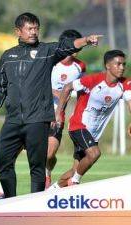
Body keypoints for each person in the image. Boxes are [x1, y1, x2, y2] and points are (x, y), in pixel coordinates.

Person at [0, 12, 102, 198]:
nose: (34, 32)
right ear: (18, 31)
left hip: (38, 119)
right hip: (13, 120)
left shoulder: (46, 51)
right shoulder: (7, 56)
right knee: (2, 158)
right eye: (29, 28)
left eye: (36, 28)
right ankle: (9, 200)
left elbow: (66, 46)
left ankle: (34, 206)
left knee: (37, 166)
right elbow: (0, 87)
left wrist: (86, 40)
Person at [50, 50, 131, 188]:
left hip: (93, 133)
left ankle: (52, 190)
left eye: (123, 64)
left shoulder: (125, 83)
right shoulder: (92, 80)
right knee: (94, 153)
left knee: (76, 169)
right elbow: (68, 87)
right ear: (107, 65)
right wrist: (58, 112)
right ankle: (75, 183)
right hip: (78, 125)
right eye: (118, 64)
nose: (122, 67)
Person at [45, 29, 86, 188]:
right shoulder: (51, 62)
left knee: (49, 154)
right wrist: (54, 91)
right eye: (77, 44)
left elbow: (81, 88)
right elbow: (37, 83)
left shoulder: (80, 66)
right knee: (37, 153)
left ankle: (47, 173)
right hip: (40, 112)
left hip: (58, 115)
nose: (80, 47)